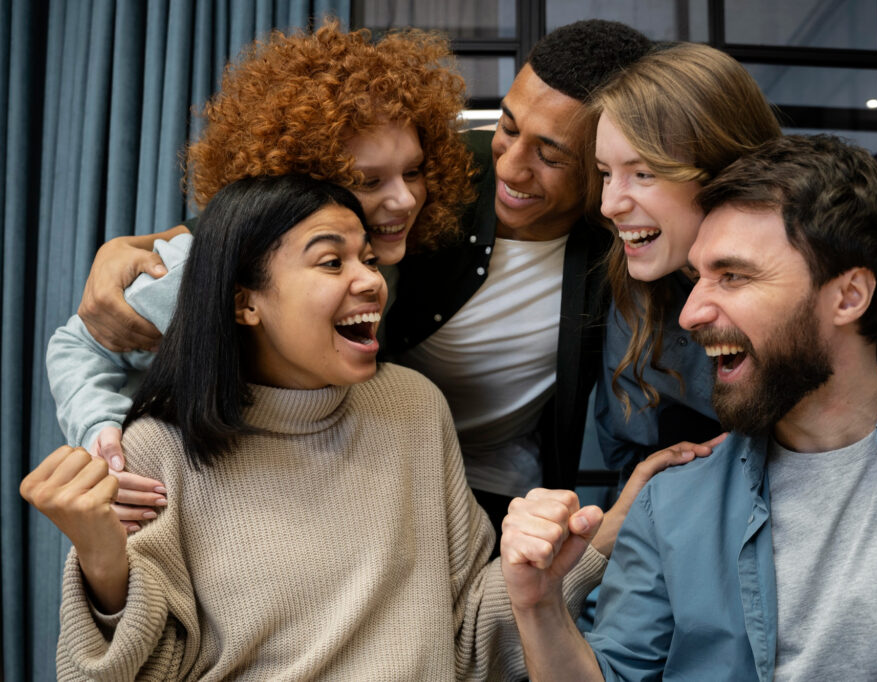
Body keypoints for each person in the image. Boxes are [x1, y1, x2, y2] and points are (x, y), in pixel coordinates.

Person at [65, 20, 657, 534]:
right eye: (505, 125)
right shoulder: (415, 177)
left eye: (552, 156)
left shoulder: (624, 233)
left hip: (480, 490)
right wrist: (134, 255)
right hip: (310, 476)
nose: (508, 163)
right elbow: (237, 236)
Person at [24, 174, 613, 680]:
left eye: (369, 259)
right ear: (244, 303)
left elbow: (468, 640)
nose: (370, 281)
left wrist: (603, 535)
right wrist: (102, 562)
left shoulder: (413, 409)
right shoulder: (157, 449)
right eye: (332, 261)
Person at [500, 135, 877, 679]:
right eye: (698, 277)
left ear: (848, 297)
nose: (692, 312)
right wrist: (538, 605)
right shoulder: (672, 505)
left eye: (733, 276)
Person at [47, 22, 475, 529]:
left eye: (414, 171)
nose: (404, 200)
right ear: (300, 176)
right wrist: (106, 439)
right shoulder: (201, 270)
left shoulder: (382, 250)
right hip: (176, 498)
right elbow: (75, 346)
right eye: (368, 180)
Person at [586, 42, 782, 478]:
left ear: (724, 171)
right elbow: (627, 456)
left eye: (643, 173)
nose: (609, 205)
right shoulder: (635, 287)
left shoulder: (815, 282)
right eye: (605, 173)